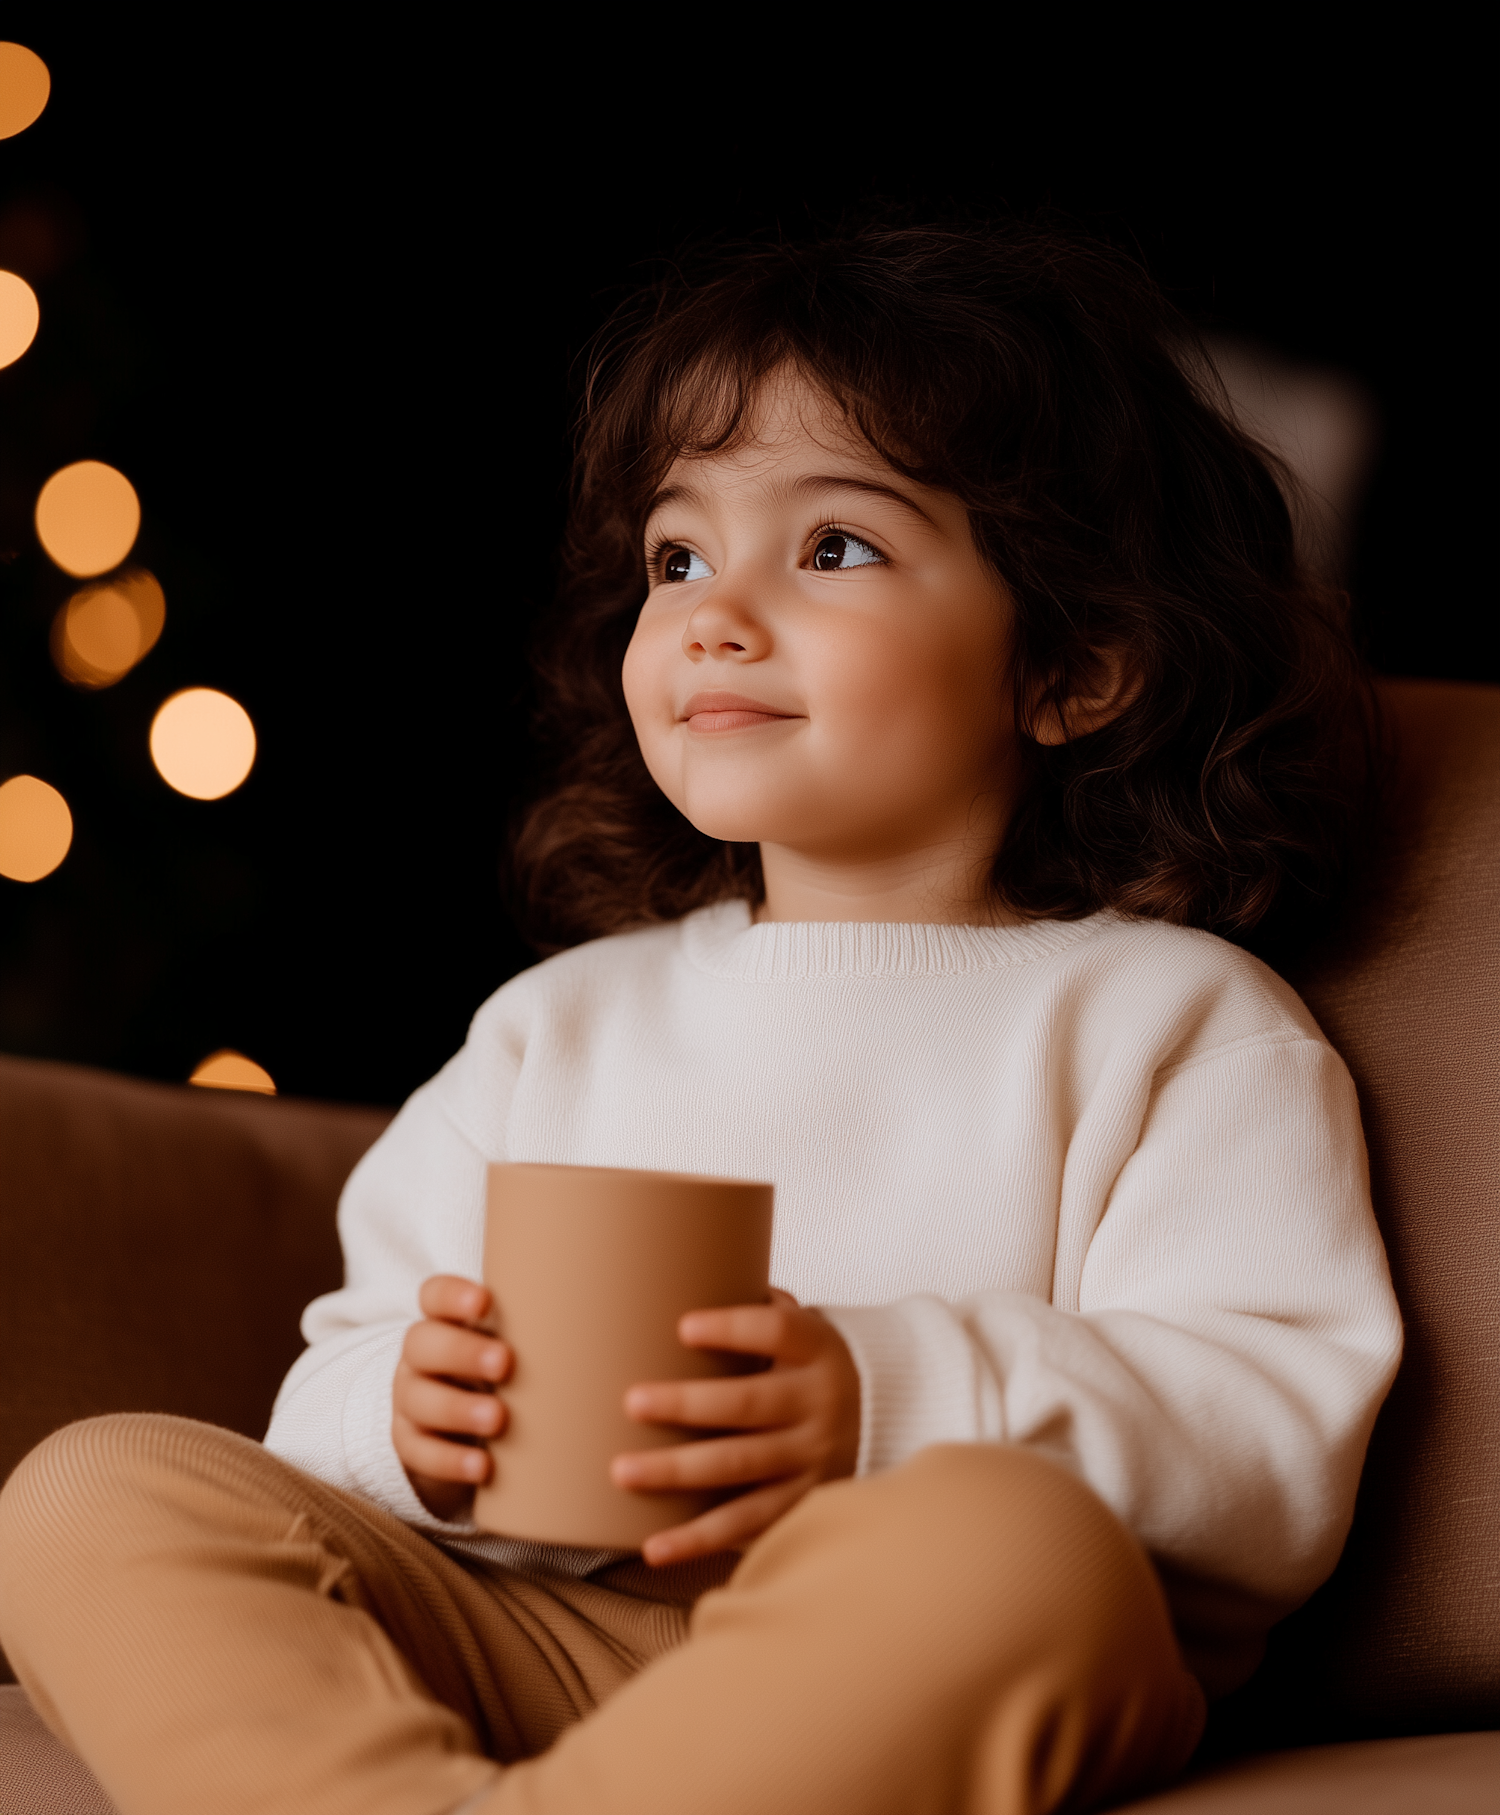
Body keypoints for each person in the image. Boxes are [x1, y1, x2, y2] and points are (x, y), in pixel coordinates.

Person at [0, 225, 1403, 1815]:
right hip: (540, 1627)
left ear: (1075, 665)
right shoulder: (556, 1025)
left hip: (926, 1647)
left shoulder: (1172, 1024)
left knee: (1013, 1550)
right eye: (677, 557)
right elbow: (345, 1367)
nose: (716, 615)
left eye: (833, 549)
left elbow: (1272, 1443)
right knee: (97, 1480)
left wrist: (874, 1395)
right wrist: (406, 1420)